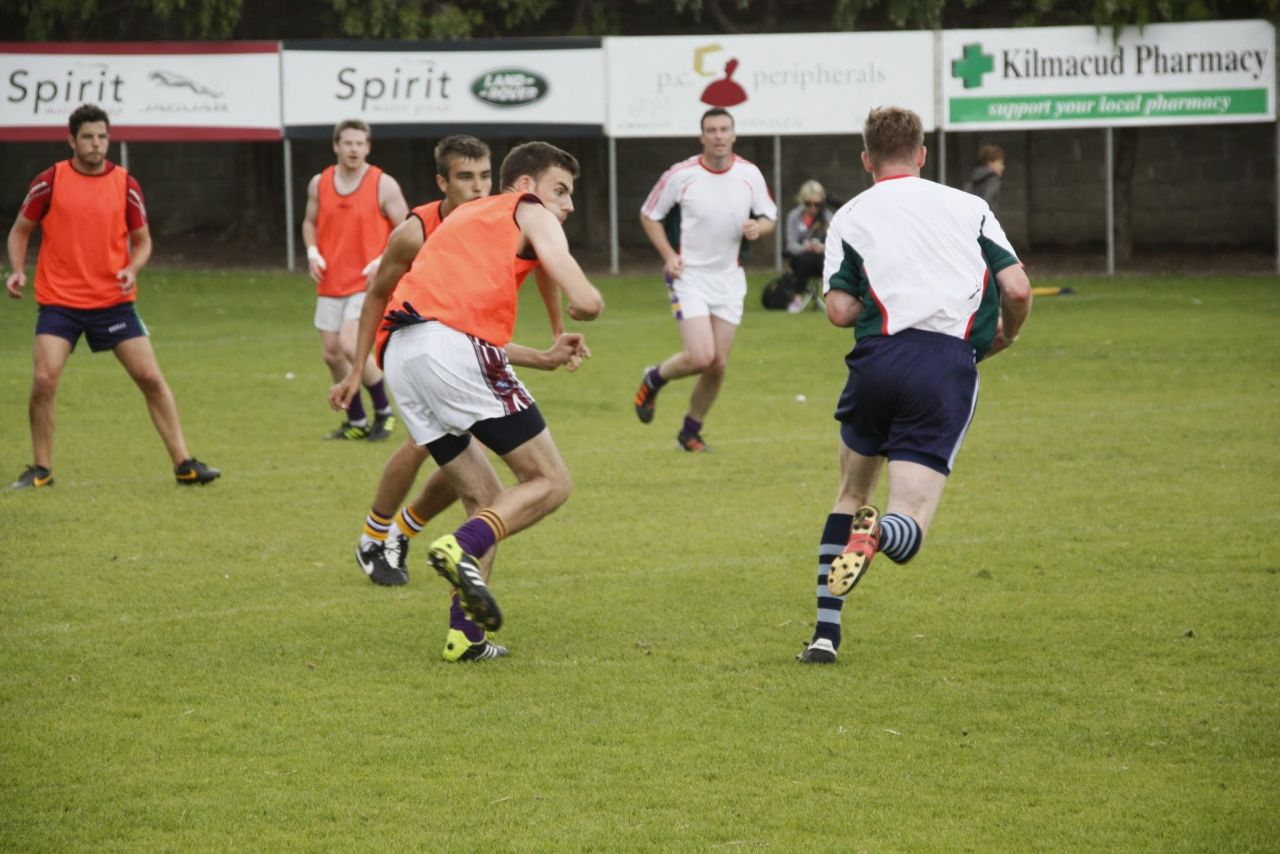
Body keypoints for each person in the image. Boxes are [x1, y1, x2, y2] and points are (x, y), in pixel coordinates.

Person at [330, 141, 602, 660]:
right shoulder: (529, 209)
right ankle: (462, 546)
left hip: (403, 357)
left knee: (483, 495)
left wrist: (544, 354)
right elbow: (570, 279)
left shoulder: (460, 220)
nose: (566, 205)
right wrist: (587, 300)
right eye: (560, 191)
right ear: (526, 187)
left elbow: (441, 314)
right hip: (450, 348)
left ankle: (466, 637)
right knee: (550, 481)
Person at [797, 107, 1032, 665]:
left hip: (877, 361)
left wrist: (873, 295)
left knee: (851, 495)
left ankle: (825, 635)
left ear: (865, 159)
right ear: (922, 154)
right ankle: (875, 539)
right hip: (945, 366)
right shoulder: (969, 206)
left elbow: (836, 310)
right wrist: (1006, 336)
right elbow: (1018, 288)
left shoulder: (850, 215)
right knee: (909, 522)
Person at [5, 103, 220, 490]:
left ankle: (185, 464)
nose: (96, 144)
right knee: (44, 378)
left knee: (150, 378)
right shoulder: (49, 180)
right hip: (60, 301)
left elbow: (143, 241)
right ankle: (41, 469)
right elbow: (21, 230)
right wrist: (18, 270)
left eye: (102, 136)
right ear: (71, 140)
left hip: (113, 302)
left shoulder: (125, 184)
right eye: (87, 137)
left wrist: (132, 268)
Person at [633, 107, 777, 452]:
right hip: (689, 276)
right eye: (711, 130)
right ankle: (653, 379)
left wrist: (759, 228)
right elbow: (649, 215)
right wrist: (669, 256)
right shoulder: (681, 175)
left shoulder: (749, 174)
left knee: (717, 364)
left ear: (733, 134)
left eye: (724, 129)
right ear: (702, 137)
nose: (718, 135)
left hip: (729, 279)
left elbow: (769, 216)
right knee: (700, 356)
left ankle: (690, 432)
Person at [302, 119, 408, 441]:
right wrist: (311, 251)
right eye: (348, 143)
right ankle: (357, 421)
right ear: (336, 145)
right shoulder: (319, 183)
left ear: (368, 147)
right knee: (331, 353)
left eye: (360, 144)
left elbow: (407, 229)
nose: (354, 149)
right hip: (331, 280)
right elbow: (309, 221)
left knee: (350, 344)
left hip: (368, 283)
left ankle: (384, 413)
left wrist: (382, 260)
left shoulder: (382, 184)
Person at [783, 179, 835, 312]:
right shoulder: (794, 216)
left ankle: (831, 299)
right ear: (802, 201)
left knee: (825, 261)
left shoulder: (828, 217)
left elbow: (835, 244)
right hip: (800, 258)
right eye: (808, 204)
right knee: (804, 261)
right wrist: (804, 247)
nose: (813, 208)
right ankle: (797, 298)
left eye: (817, 204)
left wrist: (823, 247)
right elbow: (791, 245)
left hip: (822, 257)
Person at [963, 143, 1005, 213]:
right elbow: (985, 202)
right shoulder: (993, 180)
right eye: (1000, 163)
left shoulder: (974, 177)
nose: (1003, 167)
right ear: (990, 163)